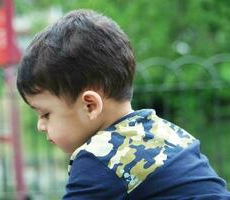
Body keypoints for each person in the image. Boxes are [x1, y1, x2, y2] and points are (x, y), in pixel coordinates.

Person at [17, 9, 230, 199]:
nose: (40, 125)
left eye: (45, 114)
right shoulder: (168, 133)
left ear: (90, 105)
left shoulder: (99, 159)